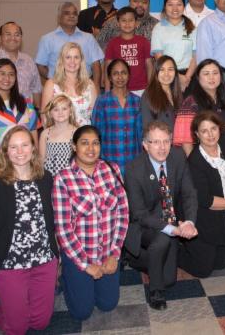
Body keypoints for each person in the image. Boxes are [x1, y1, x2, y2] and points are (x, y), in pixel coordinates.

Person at [0, 126, 59, 334]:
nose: (20, 151)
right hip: (10, 260)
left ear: (33, 149)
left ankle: (16, 307)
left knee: (40, 323)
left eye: (25, 145)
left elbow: (53, 216)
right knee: (18, 328)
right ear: (6, 151)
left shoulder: (45, 178)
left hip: (43, 258)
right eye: (13, 147)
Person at [53, 125, 129, 319]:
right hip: (79, 255)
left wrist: (114, 254)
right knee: (82, 312)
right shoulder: (63, 179)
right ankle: (66, 277)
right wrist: (85, 264)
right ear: (74, 146)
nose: (91, 149)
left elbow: (123, 213)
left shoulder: (112, 170)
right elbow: (63, 229)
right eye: (84, 143)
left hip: (106, 253)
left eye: (95, 143)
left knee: (108, 305)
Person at [124, 121, 198, 310]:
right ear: (145, 145)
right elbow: (139, 213)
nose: (162, 147)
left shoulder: (178, 158)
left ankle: (136, 260)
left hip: (171, 220)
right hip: (144, 225)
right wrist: (172, 229)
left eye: (166, 142)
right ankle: (156, 292)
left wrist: (189, 222)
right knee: (162, 241)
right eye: (155, 142)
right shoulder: (133, 169)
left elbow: (189, 192)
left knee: (169, 280)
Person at [179, 111, 225, 277]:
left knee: (221, 263)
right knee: (203, 270)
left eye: (213, 129)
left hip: (222, 219)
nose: (210, 135)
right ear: (197, 134)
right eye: (204, 131)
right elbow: (207, 201)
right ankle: (174, 249)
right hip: (202, 220)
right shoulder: (195, 161)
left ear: (219, 129)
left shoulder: (224, 143)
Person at [0, 58, 40, 173]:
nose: (7, 78)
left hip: (27, 167)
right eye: (1, 74)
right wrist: (5, 169)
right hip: (0, 169)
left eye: (11, 74)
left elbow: (34, 134)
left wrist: (35, 163)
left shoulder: (26, 103)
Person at [173, 59, 225, 159]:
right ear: (198, 77)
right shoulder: (191, 102)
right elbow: (186, 142)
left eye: (215, 73)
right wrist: (195, 164)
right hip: (200, 159)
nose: (211, 77)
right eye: (206, 74)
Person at [36, 2, 104, 88]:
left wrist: (96, 87)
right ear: (59, 17)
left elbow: (96, 65)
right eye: (67, 13)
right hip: (57, 88)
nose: (72, 16)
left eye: (74, 13)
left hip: (84, 87)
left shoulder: (89, 38)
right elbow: (40, 65)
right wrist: (54, 79)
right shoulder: (47, 39)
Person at [92, 59, 142, 174]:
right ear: (109, 77)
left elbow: (141, 134)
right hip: (109, 162)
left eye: (123, 73)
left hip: (133, 161)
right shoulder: (102, 101)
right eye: (115, 73)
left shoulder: (137, 101)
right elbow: (95, 134)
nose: (120, 77)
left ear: (129, 75)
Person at [40, 42, 97, 127]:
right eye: (68, 57)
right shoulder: (51, 84)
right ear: (62, 60)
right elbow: (44, 118)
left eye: (76, 57)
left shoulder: (90, 85)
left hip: (84, 137)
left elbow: (96, 117)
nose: (72, 61)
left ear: (81, 60)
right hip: (59, 137)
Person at [150, 0, 196, 89]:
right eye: (170, 4)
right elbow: (159, 57)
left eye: (179, 4)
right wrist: (177, 77)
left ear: (184, 6)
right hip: (167, 75)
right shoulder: (158, 28)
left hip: (189, 77)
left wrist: (187, 77)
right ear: (165, 7)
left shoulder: (191, 27)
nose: (175, 8)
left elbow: (196, 56)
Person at [103, 6, 153, 96]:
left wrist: (150, 87)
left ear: (136, 23)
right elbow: (107, 67)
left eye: (130, 20)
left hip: (141, 89)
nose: (127, 24)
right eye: (123, 21)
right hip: (119, 89)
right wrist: (107, 91)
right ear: (118, 23)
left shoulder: (143, 41)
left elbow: (149, 65)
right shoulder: (113, 43)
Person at [140, 55, 182, 132]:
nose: (166, 74)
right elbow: (147, 127)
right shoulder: (148, 95)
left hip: (178, 141)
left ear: (175, 73)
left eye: (170, 69)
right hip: (159, 142)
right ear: (156, 72)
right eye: (162, 70)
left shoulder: (179, 94)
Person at [39, 95, 78, 176]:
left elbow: (80, 158)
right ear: (50, 113)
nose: (60, 112)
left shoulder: (76, 132)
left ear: (70, 111)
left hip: (70, 176)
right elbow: (41, 159)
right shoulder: (45, 134)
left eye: (64, 109)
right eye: (56, 109)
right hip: (49, 176)